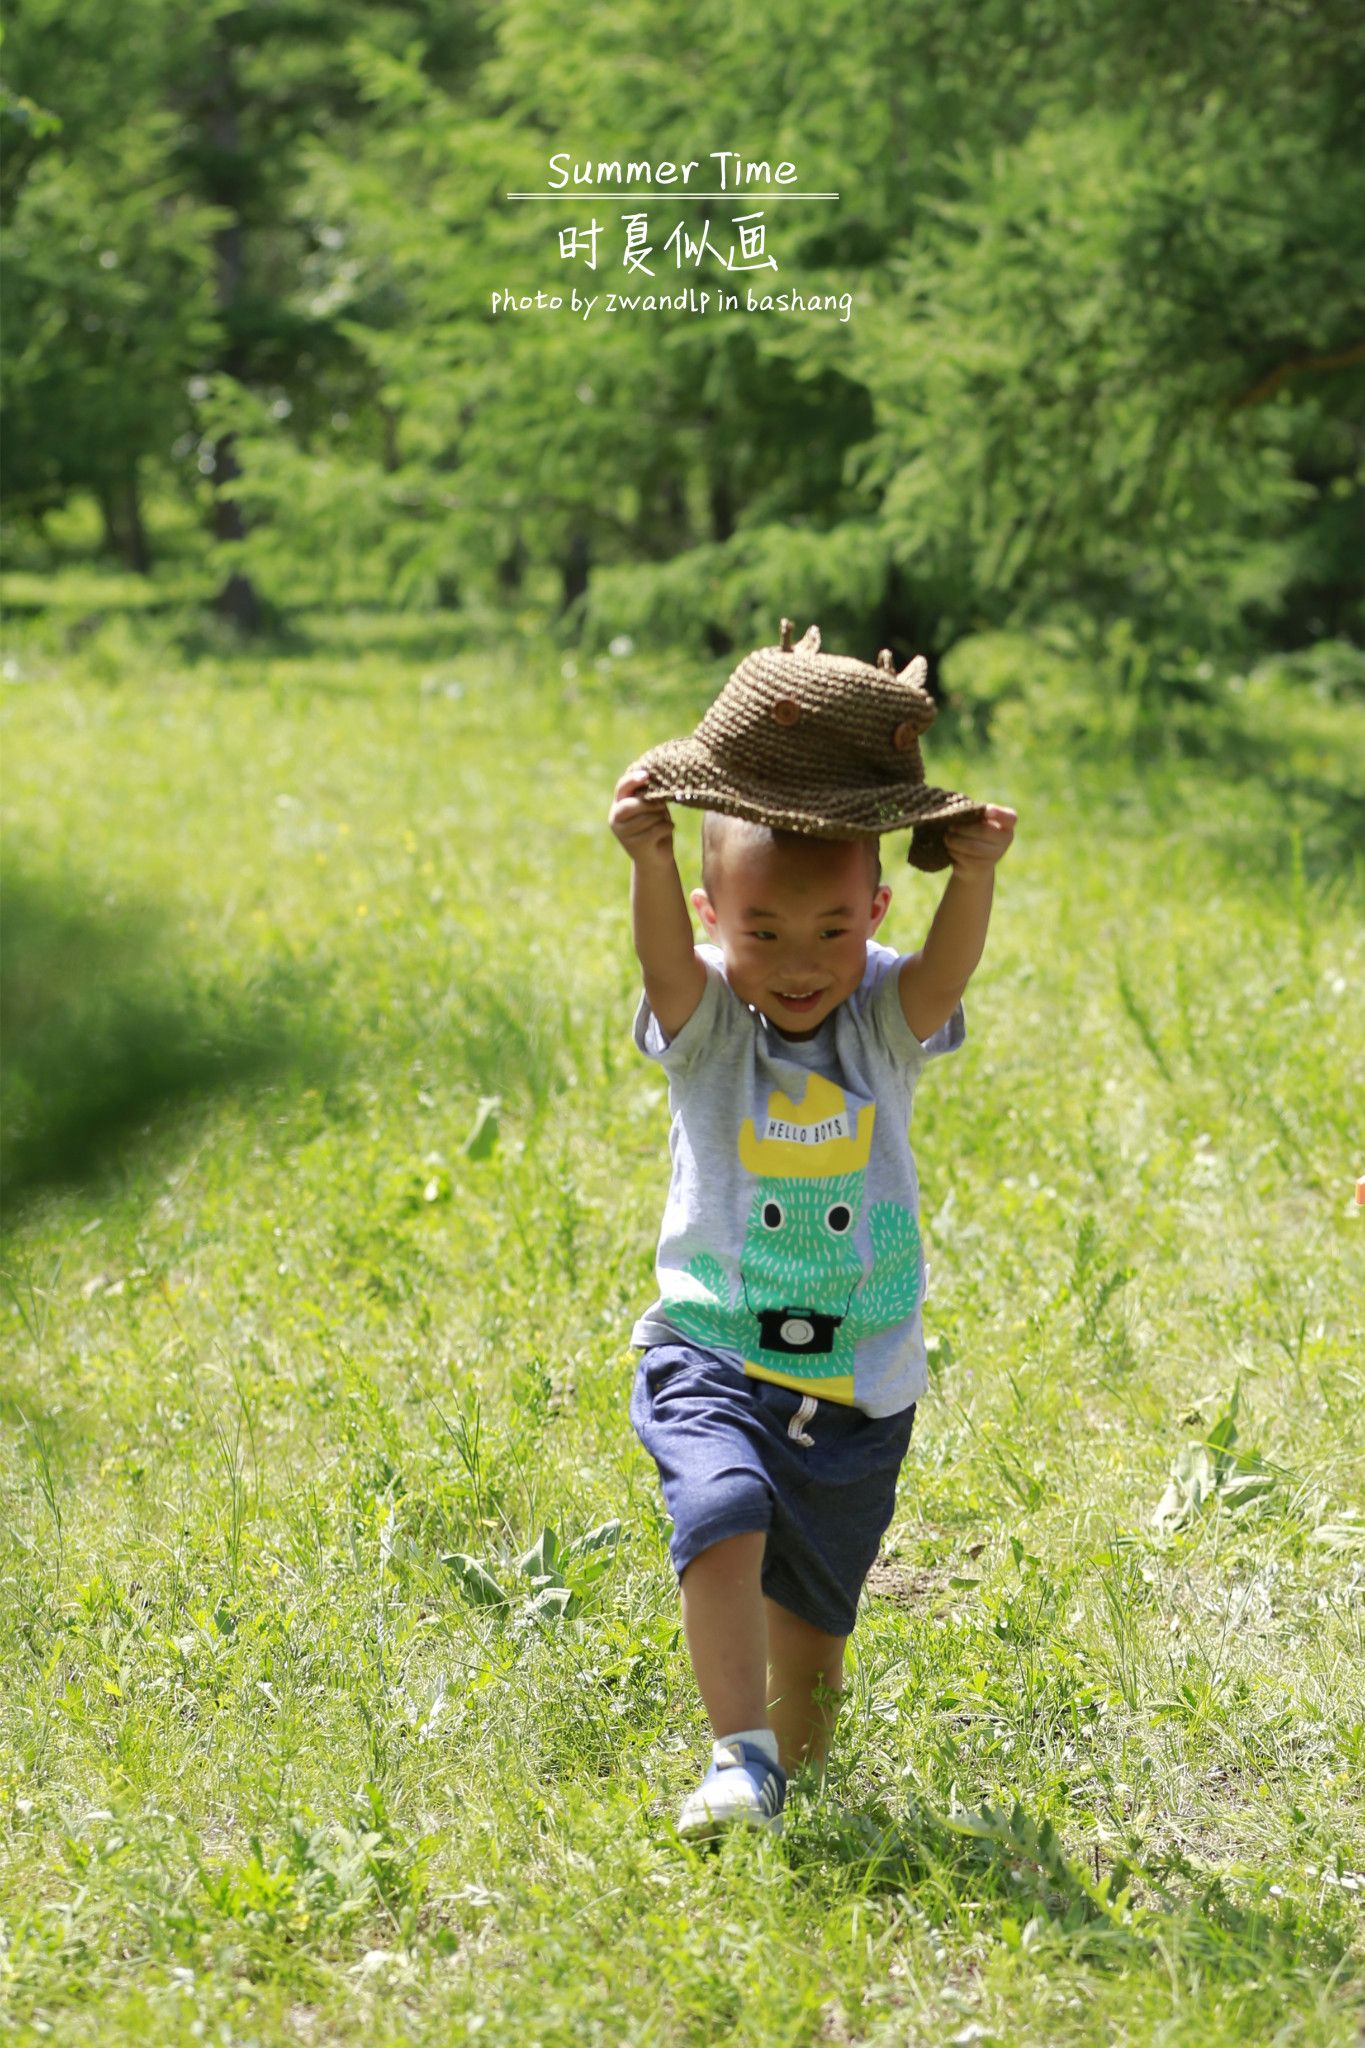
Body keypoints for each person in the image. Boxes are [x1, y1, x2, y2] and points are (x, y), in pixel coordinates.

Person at [609, 759, 1016, 1842]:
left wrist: (973, 878)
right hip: (714, 1345)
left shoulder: (881, 1013)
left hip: (859, 1386)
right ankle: (736, 1752)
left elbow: (941, 972)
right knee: (723, 1505)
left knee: (814, 1646)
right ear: (714, 918)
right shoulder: (707, 1022)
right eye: (765, 933)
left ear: (876, 912)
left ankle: (784, 1774)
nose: (800, 964)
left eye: (832, 931)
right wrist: (652, 855)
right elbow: (660, 967)